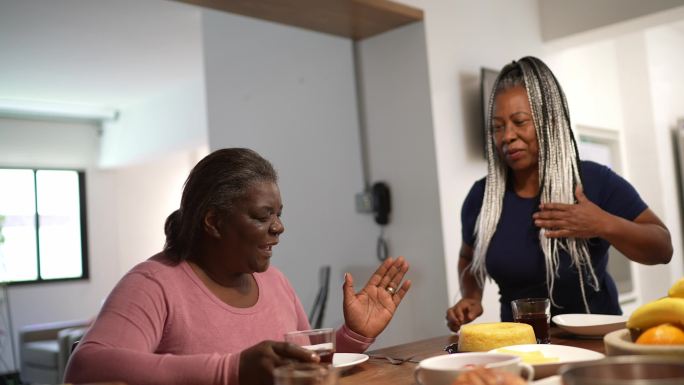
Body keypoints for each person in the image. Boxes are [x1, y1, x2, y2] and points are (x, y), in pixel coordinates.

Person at [64, 148, 412, 385]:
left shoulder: (275, 282)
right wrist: (229, 369)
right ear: (213, 221)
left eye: (279, 214)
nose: (279, 227)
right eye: (263, 216)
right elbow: (86, 365)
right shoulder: (154, 283)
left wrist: (353, 335)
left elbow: (301, 364)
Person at [446, 56, 672, 331]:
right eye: (497, 127)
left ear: (549, 121)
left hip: (596, 343)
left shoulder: (592, 181)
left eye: (519, 122)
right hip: (524, 348)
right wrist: (471, 296)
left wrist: (602, 224)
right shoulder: (482, 197)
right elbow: (468, 258)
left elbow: (663, 248)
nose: (507, 136)